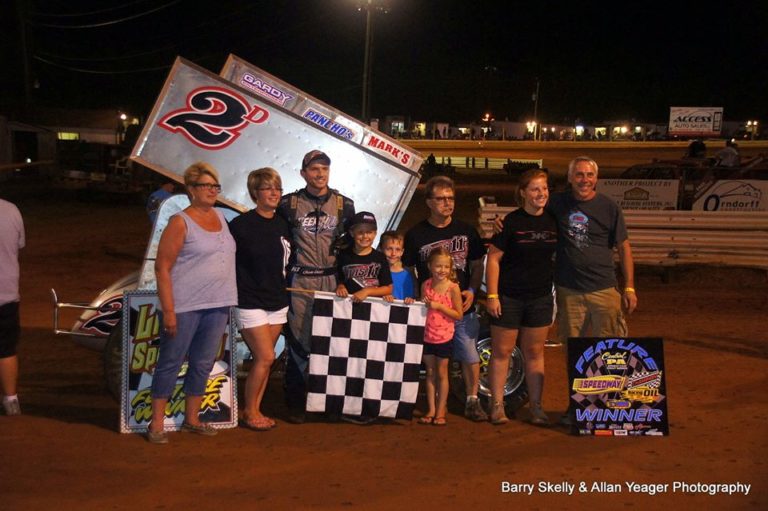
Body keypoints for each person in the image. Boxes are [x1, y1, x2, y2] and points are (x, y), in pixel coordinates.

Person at [147, 162, 237, 444]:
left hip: (218, 304)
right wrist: (169, 310)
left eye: (215, 186)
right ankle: (157, 423)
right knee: (170, 362)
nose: (212, 191)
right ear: (191, 189)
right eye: (206, 186)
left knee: (203, 363)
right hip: (185, 306)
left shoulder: (221, 218)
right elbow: (162, 268)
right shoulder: (180, 221)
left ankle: (192, 419)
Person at [549, 156, 638, 424]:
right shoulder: (557, 203)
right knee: (573, 352)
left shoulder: (609, 207)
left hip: (604, 288)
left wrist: (629, 287)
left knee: (609, 351)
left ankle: (609, 405)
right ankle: (577, 404)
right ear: (570, 178)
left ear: (596, 178)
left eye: (589, 175)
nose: (584, 180)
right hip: (569, 290)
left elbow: (624, 248)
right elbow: (530, 212)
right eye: (579, 175)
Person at [278, 149, 355, 423]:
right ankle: (297, 402)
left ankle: (331, 401)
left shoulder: (345, 205)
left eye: (324, 168)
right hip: (300, 280)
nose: (320, 173)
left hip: (332, 280)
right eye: (314, 169)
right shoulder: (289, 204)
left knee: (333, 341)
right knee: (299, 340)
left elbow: (351, 250)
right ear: (303, 173)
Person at [403, 176, 487, 422]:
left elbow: (477, 264)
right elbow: (407, 269)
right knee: (433, 363)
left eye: (450, 198)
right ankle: (433, 405)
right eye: (441, 199)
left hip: (461, 306)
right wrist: (416, 295)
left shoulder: (467, 230)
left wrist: (472, 290)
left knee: (469, 354)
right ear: (429, 202)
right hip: (431, 312)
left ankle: (473, 401)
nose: (447, 203)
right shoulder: (416, 234)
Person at [485, 169, 557, 426]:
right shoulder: (511, 222)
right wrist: (492, 295)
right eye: (535, 189)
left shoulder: (553, 220)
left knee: (535, 352)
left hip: (540, 298)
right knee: (502, 351)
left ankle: (536, 407)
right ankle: (497, 405)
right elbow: (493, 259)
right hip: (510, 297)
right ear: (524, 193)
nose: (541, 194)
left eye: (545, 188)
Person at [228, 168, 291, 432]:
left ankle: (255, 408)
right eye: (267, 188)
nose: (274, 193)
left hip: (277, 300)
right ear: (255, 193)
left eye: (277, 188)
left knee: (265, 360)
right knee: (265, 356)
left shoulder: (283, 223)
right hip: (249, 300)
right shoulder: (240, 226)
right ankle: (249, 411)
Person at [418, 248, 463, 426]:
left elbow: (458, 314)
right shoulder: (426, 285)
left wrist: (439, 306)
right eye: (438, 266)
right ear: (430, 266)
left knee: (442, 373)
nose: (442, 270)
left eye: (446, 266)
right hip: (427, 335)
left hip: (444, 336)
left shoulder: (453, 288)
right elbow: (422, 308)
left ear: (450, 268)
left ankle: (441, 409)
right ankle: (431, 408)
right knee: (430, 372)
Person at [0, 198, 25, 416]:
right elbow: (19, 245)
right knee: (6, 349)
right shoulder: (11, 210)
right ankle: (11, 401)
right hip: (6, 293)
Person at [335, 212, 393, 303]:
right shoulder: (343, 255)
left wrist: (366, 291)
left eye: (369, 232)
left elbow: (388, 288)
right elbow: (339, 280)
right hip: (347, 307)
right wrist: (340, 287)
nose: (365, 236)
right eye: (360, 232)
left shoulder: (380, 257)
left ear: (375, 234)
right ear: (351, 233)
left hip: (373, 309)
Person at [379, 231, 415, 303]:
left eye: (397, 249)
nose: (393, 253)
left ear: (402, 252)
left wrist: (411, 300)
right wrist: (383, 296)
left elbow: (415, 298)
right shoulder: (375, 272)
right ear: (381, 249)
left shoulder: (409, 274)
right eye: (389, 249)